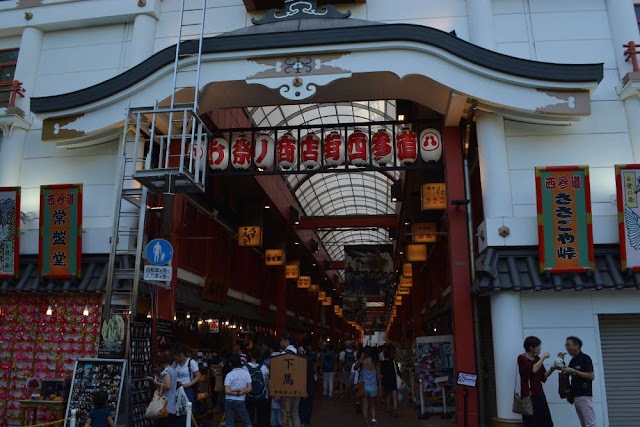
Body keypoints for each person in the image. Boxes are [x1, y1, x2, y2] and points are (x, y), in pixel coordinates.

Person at [517, 336, 555, 427]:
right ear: (531, 347)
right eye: (538, 346)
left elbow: (543, 376)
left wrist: (552, 369)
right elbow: (532, 370)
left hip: (539, 394)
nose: (540, 348)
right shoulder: (522, 358)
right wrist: (543, 358)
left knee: (545, 421)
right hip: (527, 395)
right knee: (530, 422)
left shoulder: (537, 359)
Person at [561, 336, 596, 427]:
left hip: (584, 395)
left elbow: (591, 376)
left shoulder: (585, 358)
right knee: (584, 424)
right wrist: (560, 360)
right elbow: (566, 373)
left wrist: (574, 371)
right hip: (576, 396)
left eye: (568, 345)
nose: (567, 348)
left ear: (577, 346)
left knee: (590, 423)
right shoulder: (573, 361)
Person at [146, 351, 179, 427]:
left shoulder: (166, 371)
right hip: (171, 401)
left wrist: (155, 382)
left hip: (165, 402)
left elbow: (168, 386)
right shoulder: (173, 370)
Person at [224, 354, 253, 427]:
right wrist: (241, 391)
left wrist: (234, 391)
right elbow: (250, 388)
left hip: (229, 400)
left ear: (230, 364)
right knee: (247, 421)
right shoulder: (246, 373)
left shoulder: (229, 375)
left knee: (229, 422)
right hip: (241, 400)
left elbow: (227, 390)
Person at [279, 333, 301, 427]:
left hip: (286, 387)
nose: (281, 342)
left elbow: (279, 373)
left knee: (286, 414)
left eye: (282, 340)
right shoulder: (299, 353)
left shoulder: (283, 355)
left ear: (287, 341)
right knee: (295, 413)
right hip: (298, 387)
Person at [355, 347, 380, 427]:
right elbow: (379, 376)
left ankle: (366, 423)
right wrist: (381, 387)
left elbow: (355, 367)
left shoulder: (363, 362)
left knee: (365, 407)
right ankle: (373, 419)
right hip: (373, 386)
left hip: (365, 387)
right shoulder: (376, 363)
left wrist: (361, 358)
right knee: (372, 405)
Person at [244, 350, 270, 427]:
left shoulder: (244, 368)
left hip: (249, 396)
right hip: (262, 396)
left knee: (249, 417)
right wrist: (267, 395)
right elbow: (266, 383)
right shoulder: (264, 368)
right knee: (262, 418)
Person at [299, 345, 318, 427]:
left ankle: (303, 421)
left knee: (303, 404)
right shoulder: (309, 359)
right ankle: (306, 421)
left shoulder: (300, 360)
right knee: (308, 404)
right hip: (309, 384)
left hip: (305, 384)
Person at [380, 346, 399, 417]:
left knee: (387, 396)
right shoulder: (393, 363)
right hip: (393, 380)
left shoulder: (382, 364)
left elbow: (381, 373)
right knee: (394, 396)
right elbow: (398, 372)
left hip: (386, 380)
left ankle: (388, 410)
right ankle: (395, 410)